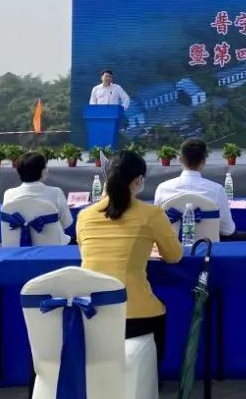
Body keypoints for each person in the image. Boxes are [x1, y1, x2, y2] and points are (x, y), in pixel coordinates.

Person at [76, 150, 183, 366]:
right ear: (139, 180)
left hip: (92, 311)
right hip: (136, 314)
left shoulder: (84, 215)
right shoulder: (152, 214)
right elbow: (173, 256)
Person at [154, 138, 236, 236]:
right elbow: (228, 230)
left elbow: (156, 226)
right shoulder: (217, 190)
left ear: (181, 159)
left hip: (170, 245)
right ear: (203, 161)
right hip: (208, 245)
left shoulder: (162, 188)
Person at [3, 151, 73, 232]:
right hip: (51, 240)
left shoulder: (9, 194)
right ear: (43, 171)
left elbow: (6, 224)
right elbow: (67, 223)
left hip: (16, 240)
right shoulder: (56, 193)